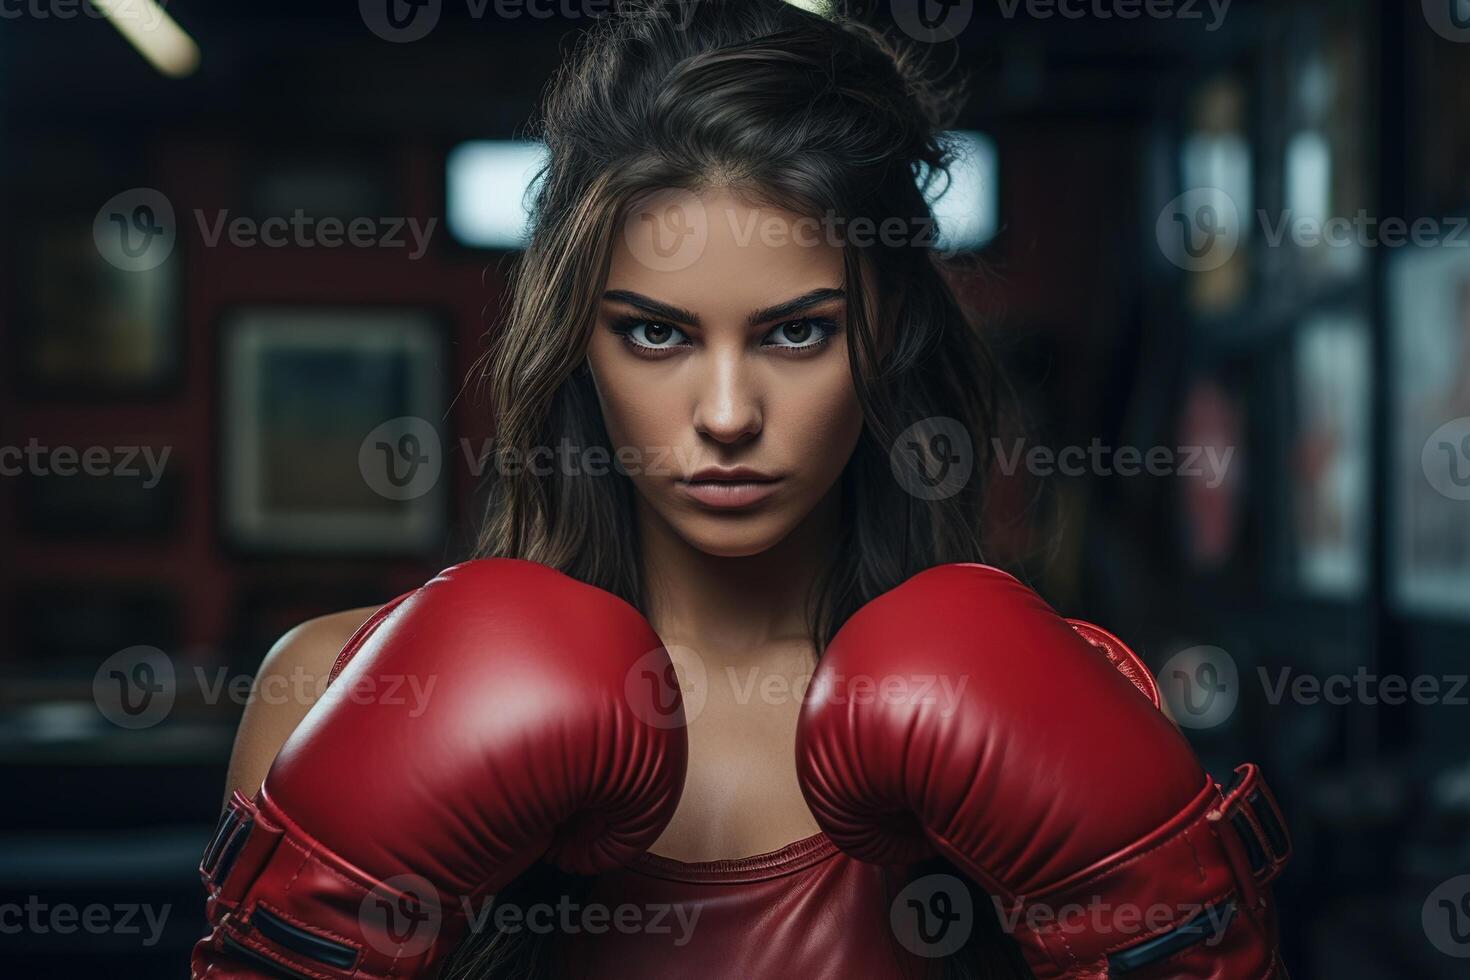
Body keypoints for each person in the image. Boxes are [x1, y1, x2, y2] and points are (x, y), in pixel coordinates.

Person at [191, 2, 1290, 977]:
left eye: (797, 330)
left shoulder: (1065, 706)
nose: (726, 412)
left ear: (887, 336)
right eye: (657, 331)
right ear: (579, 345)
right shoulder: (330, 690)